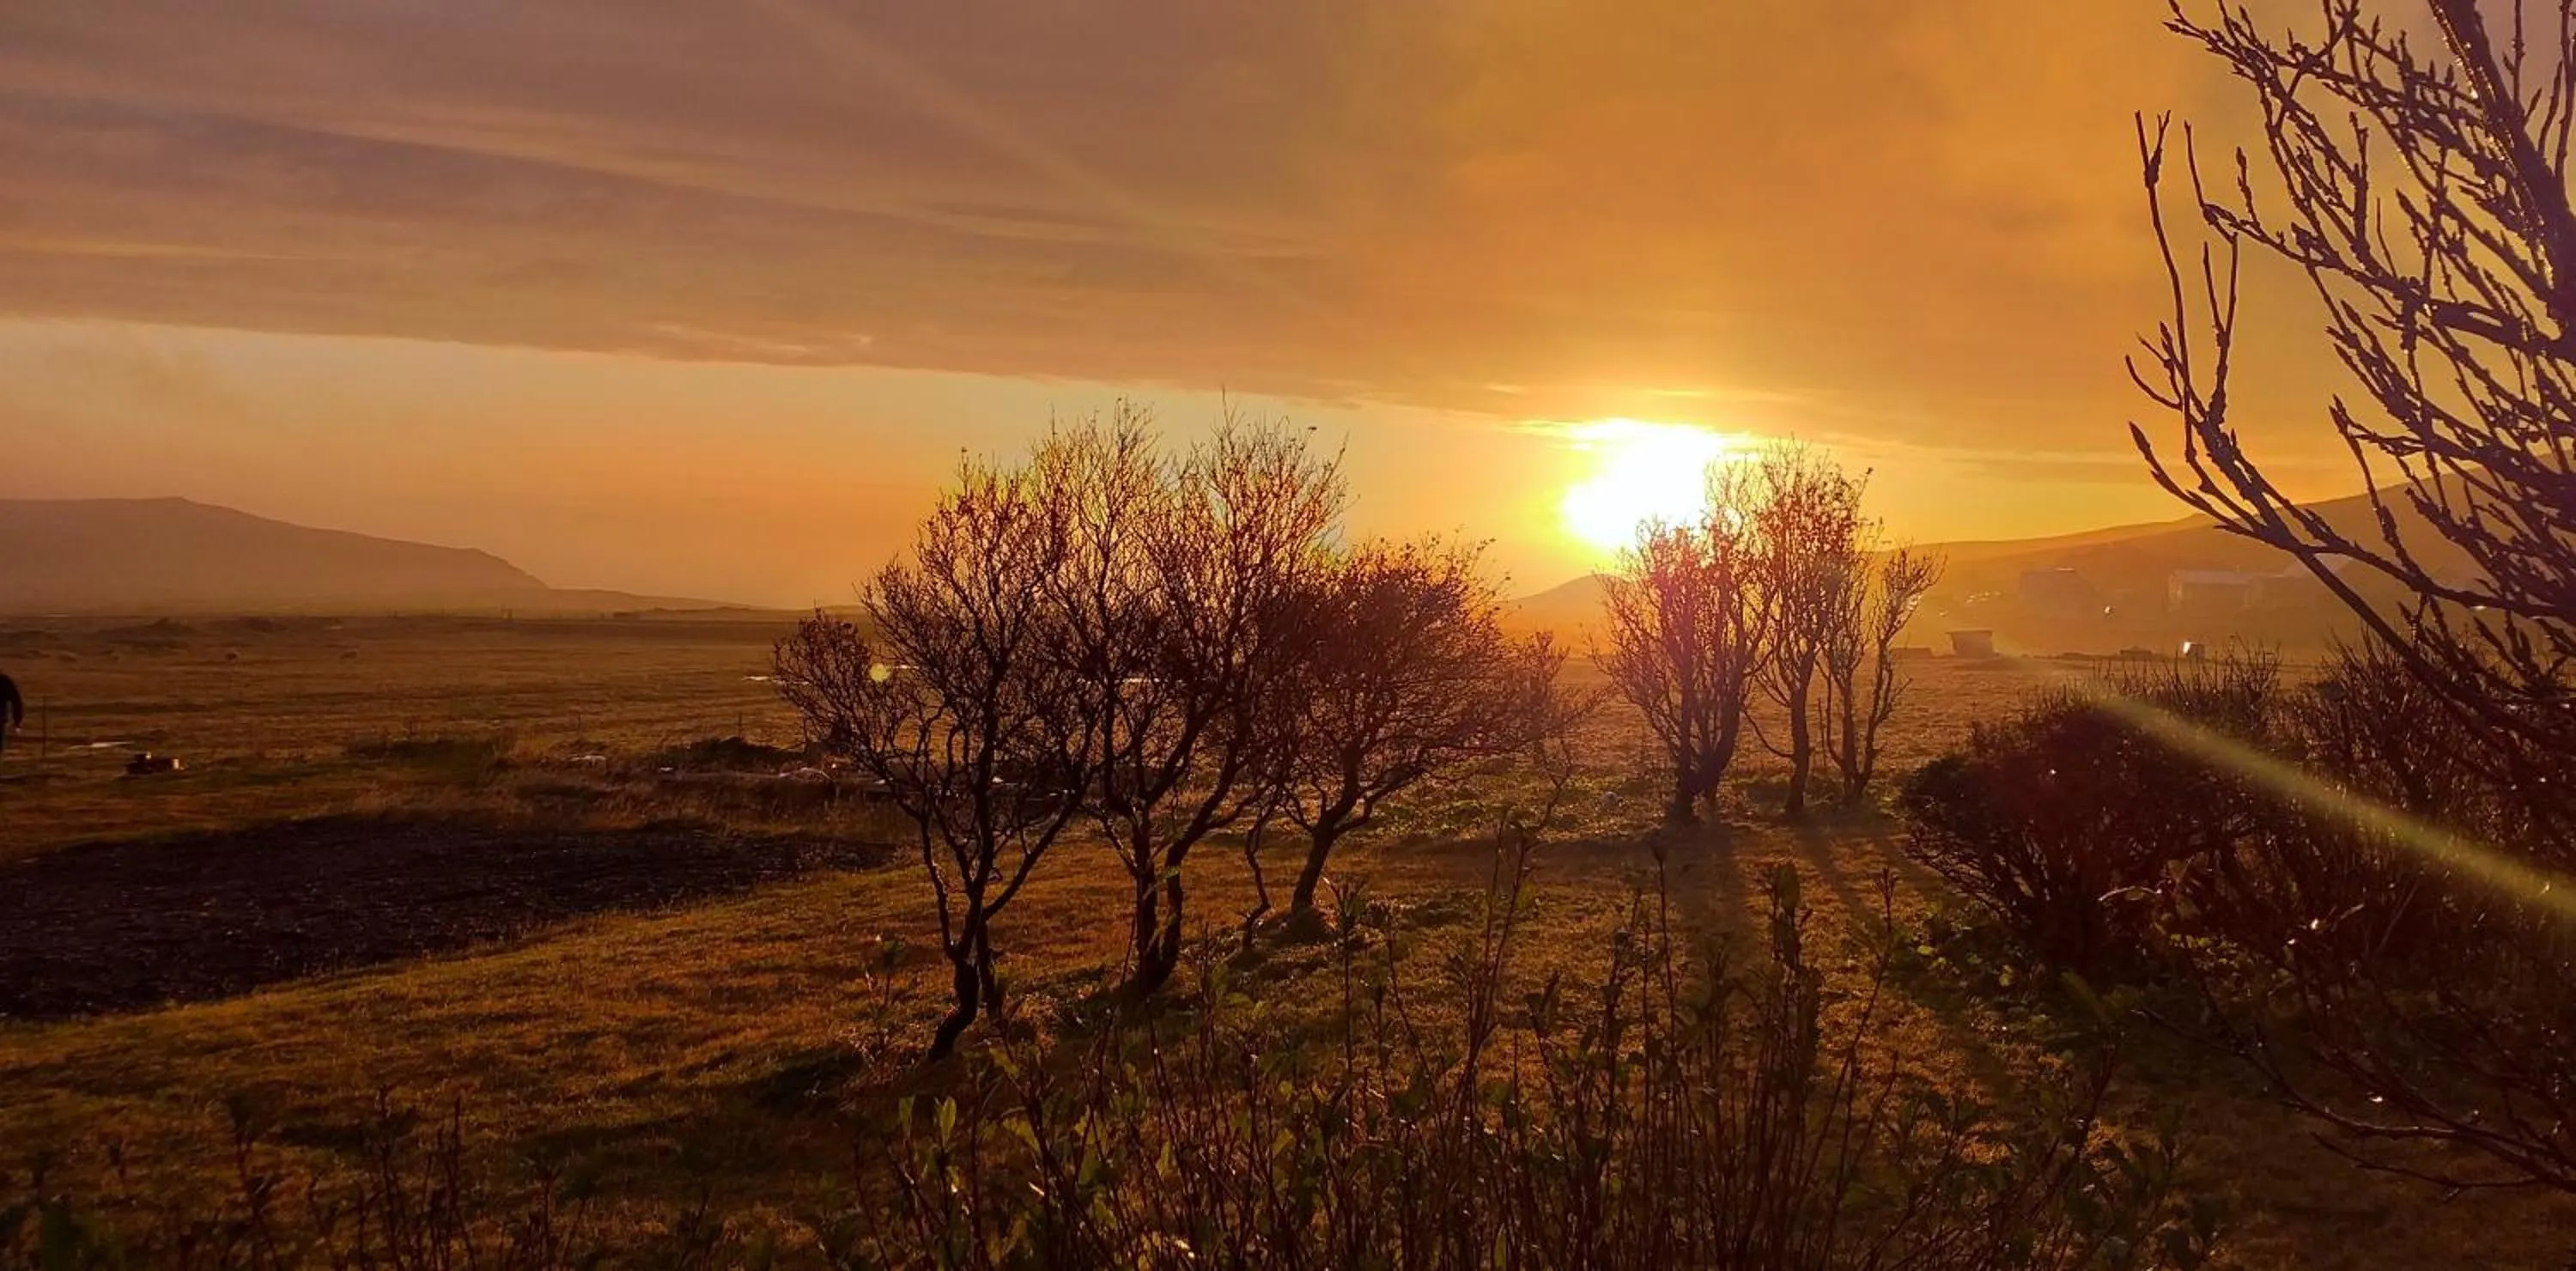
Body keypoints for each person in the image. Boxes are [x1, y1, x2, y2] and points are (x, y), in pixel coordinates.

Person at [0, 670, 20, 766]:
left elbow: (16, 700)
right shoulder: (4, 681)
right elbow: (16, 700)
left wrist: (17, 722)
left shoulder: (3, 681)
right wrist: (17, 723)